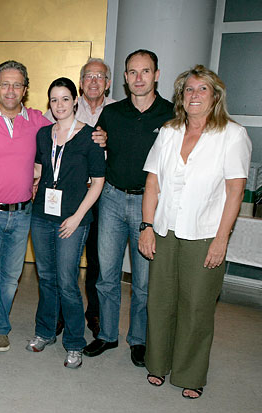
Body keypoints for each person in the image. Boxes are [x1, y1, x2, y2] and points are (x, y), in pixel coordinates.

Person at [139, 65, 251, 399]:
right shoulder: (169, 131)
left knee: (197, 305)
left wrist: (221, 239)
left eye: (203, 89)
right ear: (181, 96)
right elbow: (152, 182)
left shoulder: (232, 134)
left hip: (204, 233)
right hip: (166, 229)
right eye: (189, 90)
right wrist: (146, 226)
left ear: (215, 96)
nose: (195, 95)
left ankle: (190, 373)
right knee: (160, 302)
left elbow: (235, 192)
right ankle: (157, 364)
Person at [83, 49, 174, 368]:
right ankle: (107, 334)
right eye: (132, 72)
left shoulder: (172, 115)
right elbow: (99, 148)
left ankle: (139, 339)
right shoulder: (113, 113)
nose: (138, 78)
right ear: (124, 78)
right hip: (110, 198)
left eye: (145, 72)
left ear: (156, 75)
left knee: (143, 281)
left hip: (148, 205)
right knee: (106, 275)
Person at [0, 60, 51, 353]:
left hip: (22, 214)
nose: (10, 90)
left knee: (9, 278)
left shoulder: (38, 121)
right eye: (5, 83)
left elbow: (65, 136)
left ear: (25, 89)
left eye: (17, 84)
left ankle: (1, 328)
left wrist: (98, 135)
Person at [27, 77, 105, 369]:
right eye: (54, 100)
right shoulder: (43, 134)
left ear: (75, 100)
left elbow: (97, 183)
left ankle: (74, 343)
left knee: (67, 282)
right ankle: (45, 331)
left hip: (74, 219)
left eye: (64, 99)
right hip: (42, 216)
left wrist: (77, 217)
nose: (59, 105)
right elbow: (39, 168)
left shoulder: (91, 137)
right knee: (46, 278)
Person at [45, 58, 116, 338]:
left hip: (103, 193)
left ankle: (94, 315)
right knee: (64, 262)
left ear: (108, 82)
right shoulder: (63, 108)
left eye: (100, 76)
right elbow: (39, 134)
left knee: (98, 260)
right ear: (80, 83)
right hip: (69, 196)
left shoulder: (117, 112)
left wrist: (108, 141)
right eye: (88, 76)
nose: (94, 81)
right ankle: (60, 314)